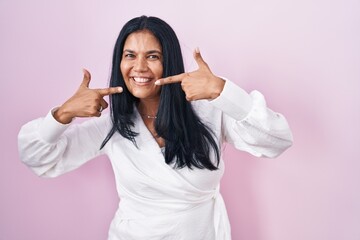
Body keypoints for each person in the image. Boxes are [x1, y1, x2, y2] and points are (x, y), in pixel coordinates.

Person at [18, 15, 293, 240]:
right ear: (119, 62)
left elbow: (276, 140)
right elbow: (37, 158)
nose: (139, 67)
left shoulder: (208, 109)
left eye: (152, 56)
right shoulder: (111, 127)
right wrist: (63, 113)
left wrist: (223, 91)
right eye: (130, 55)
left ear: (169, 61)